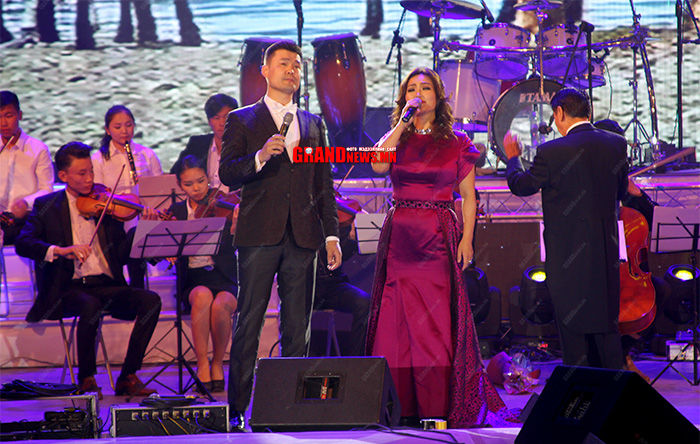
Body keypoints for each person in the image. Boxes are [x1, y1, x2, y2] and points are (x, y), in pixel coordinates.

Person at [367, 67, 510, 427]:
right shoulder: (395, 138)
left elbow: (469, 197)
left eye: (426, 88)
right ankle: (398, 406)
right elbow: (378, 164)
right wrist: (402, 124)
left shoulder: (457, 141)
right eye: (411, 89)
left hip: (436, 235)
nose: (418, 94)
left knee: (432, 322)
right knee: (395, 320)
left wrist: (467, 239)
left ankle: (435, 404)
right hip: (401, 236)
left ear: (439, 96)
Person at [219, 40, 341, 430]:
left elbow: (324, 184)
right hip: (258, 235)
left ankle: (290, 409)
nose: (292, 71)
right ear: (265, 71)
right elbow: (227, 173)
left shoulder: (313, 124)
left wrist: (332, 236)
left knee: (297, 326)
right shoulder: (242, 119)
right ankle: (237, 409)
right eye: (285, 64)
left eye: (298, 66)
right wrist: (258, 157)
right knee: (249, 322)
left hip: (303, 236)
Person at [15, 142, 162, 398]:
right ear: (63, 176)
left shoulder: (104, 204)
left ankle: (128, 375)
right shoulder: (47, 206)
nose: (90, 179)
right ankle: (87, 378)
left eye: (91, 171)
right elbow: (23, 243)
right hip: (66, 290)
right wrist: (60, 250)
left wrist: (143, 229)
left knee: (151, 301)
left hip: (105, 285)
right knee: (89, 305)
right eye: (82, 173)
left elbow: (121, 256)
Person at [504, 88, 628, 369]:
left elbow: (522, 185)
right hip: (605, 254)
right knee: (606, 328)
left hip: (567, 257)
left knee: (573, 332)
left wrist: (513, 158)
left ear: (559, 112)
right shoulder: (616, 144)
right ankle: (614, 388)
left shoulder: (551, 151)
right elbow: (620, 192)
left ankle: (579, 389)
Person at [169, 155, 238, 393]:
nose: (197, 188)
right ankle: (202, 364)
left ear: (208, 178)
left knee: (221, 305)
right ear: (180, 186)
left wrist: (235, 227)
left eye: (200, 181)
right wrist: (169, 252)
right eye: (188, 184)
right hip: (193, 279)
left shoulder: (224, 205)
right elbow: (157, 253)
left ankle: (217, 363)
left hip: (224, 276)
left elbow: (238, 246)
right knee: (202, 296)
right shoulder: (176, 212)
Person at [92, 105, 163, 288]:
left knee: (138, 237)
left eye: (129, 125)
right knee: (131, 239)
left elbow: (159, 189)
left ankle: (138, 290)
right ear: (107, 130)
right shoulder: (99, 159)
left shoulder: (147, 155)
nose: (124, 131)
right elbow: (98, 194)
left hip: (144, 216)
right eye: (117, 127)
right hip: (114, 221)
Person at [0, 91, 54, 245]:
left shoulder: (38, 149)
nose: (3, 123)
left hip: (26, 219)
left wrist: (26, 203)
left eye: (8, 116)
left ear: (20, 115)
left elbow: (47, 190)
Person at [170, 93, 239, 191]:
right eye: (216, 118)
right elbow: (175, 174)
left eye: (226, 117)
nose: (222, 123)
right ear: (209, 121)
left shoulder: (246, 145)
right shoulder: (197, 144)